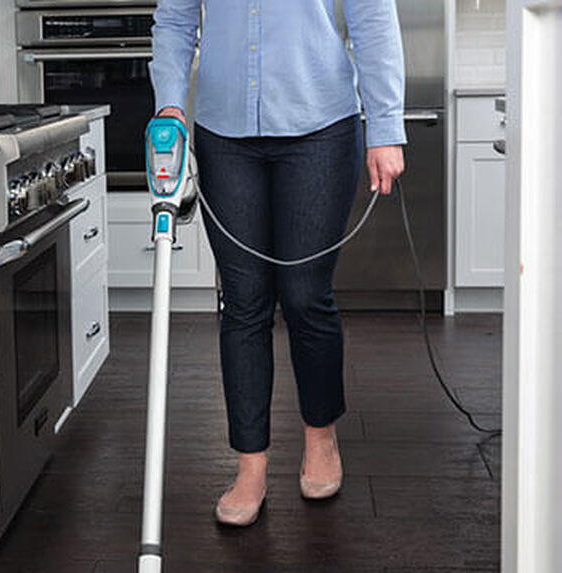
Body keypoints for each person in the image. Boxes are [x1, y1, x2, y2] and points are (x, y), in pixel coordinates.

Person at [149, 0, 406, 525]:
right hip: (224, 132)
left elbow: (373, 16)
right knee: (243, 301)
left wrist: (385, 126)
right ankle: (250, 466)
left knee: (305, 294)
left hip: (320, 127)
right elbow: (174, 20)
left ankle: (320, 436)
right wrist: (170, 106)